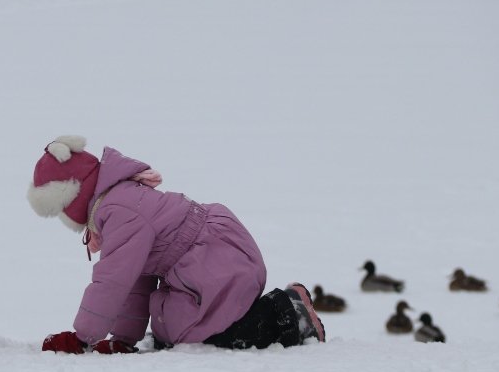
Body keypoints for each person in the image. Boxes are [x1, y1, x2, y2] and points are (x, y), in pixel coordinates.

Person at [27, 136, 325, 354]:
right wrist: (123, 339)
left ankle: (287, 312)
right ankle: (282, 307)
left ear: (72, 196)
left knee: (203, 334)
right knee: (177, 326)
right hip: (211, 256)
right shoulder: (119, 200)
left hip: (211, 261)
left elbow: (112, 281)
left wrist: (83, 338)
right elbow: (134, 279)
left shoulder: (119, 211)